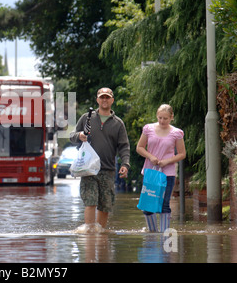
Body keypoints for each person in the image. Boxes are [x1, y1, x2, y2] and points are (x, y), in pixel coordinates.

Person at [70, 87, 130, 229]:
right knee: (90, 202)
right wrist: (79, 136)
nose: (104, 100)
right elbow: (72, 136)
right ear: (97, 100)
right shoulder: (86, 117)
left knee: (105, 205)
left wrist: (125, 164)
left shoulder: (118, 123)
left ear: (112, 100)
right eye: (101, 97)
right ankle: (90, 233)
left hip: (108, 169)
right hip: (88, 169)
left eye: (107, 97)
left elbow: (124, 146)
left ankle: (101, 234)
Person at [136, 104, 186, 232]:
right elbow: (139, 147)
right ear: (156, 116)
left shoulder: (176, 133)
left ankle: (165, 235)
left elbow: (182, 154)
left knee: (164, 203)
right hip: (150, 172)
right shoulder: (148, 129)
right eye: (160, 118)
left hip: (167, 174)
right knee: (147, 204)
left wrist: (167, 161)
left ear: (171, 117)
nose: (162, 121)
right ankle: (152, 233)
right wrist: (151, 157)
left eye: (165, 118)